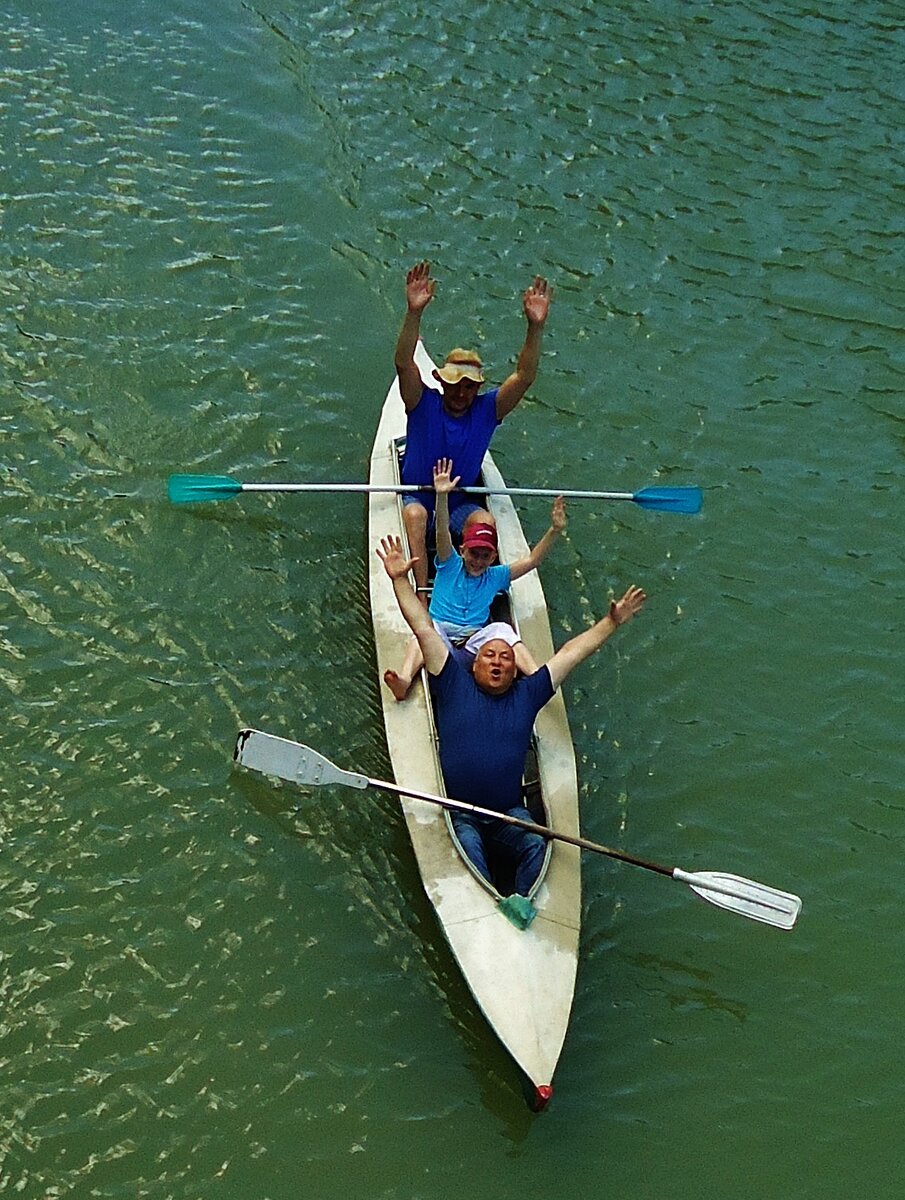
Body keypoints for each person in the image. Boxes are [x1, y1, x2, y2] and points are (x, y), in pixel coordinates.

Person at [376, 534, 646, 897]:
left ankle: (519, 902)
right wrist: (397, 581)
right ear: (473, 666)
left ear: (515, 669)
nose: (498, 661)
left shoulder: (528, 693)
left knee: (535, 844)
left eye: (505, 657)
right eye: (489, 656)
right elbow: (423, 627)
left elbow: (570, 654)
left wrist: (610, 624)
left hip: (507, 812)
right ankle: (487, 898)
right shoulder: (454, 680)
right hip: (459, 811)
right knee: (470, 851)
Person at [394, 259, 552, 599]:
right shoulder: (422, 402)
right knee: (415, 515)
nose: (461, 393)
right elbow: (404, 363)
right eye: (455, 385)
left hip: (459, 500)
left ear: (477, 389)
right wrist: (413, 313)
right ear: (441, 382)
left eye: (469, 387)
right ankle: (423, 592)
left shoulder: (487, 410)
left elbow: (524, 376)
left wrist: (535, 328)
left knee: (485, 523)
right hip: (418, 494)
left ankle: (475, 588)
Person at [383, 457, 567, 701]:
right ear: (463, 550)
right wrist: (442, 495)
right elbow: (441, 531)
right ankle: (405, 680)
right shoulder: (449, 564)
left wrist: (554, 530)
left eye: (485, 555)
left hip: (475, 645)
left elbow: (532, 561)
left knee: (502, 629)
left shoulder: (496, 575)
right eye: (473, 553)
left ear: (493, 557)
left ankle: (537, 678)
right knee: (426, 630)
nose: (478, 560)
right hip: (441, 640)